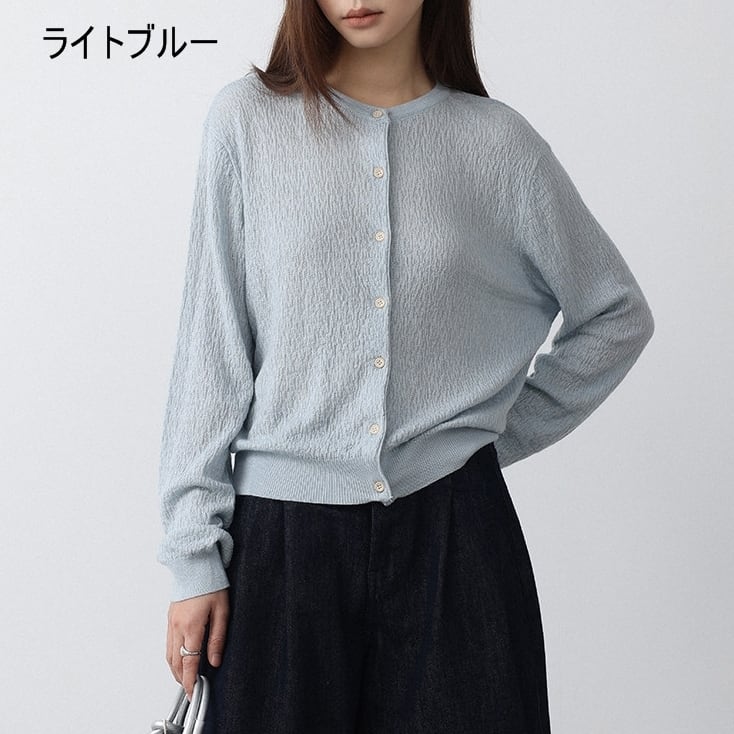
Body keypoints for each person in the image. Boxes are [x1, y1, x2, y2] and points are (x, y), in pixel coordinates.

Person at [156, 1, 655, 732]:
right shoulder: (247, 122)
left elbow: (615, 314)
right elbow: (210, 345)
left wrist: (483, 439)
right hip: (280, 550)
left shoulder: (498, 144)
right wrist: (194, 556)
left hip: (457, 539)